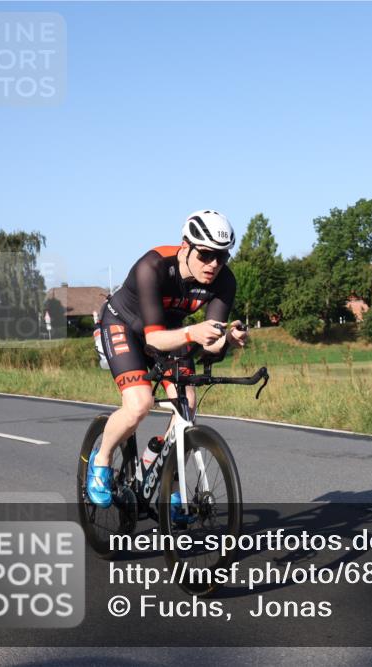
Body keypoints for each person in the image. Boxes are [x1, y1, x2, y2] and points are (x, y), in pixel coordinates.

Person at [87, 210, 248, 509]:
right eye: (206, 255)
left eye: (222, 257)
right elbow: (153, 340)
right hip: (123, 325)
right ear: (185, 246)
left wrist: (227, 339)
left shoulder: (224, 281)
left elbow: (209, 343)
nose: (213, 264)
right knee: (139, 405)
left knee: (187, 408)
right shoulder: (154, 265)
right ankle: (103, 459)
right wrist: (194, 332)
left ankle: (168, 478)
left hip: (171, 330)